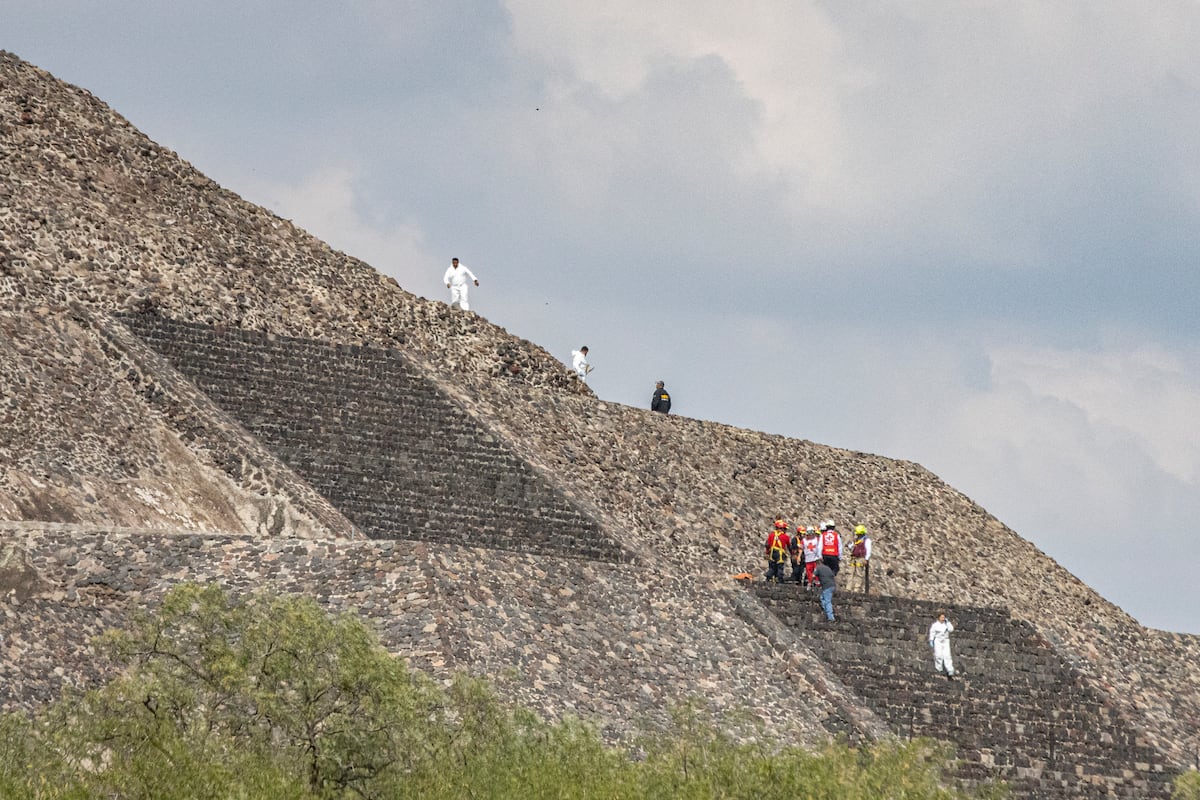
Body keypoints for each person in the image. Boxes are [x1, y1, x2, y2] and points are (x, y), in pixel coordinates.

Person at [928, 612, 955, 679]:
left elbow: (951, 629)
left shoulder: (946, 624)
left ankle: (950, 669)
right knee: (938, 655)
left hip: (945, 641)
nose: (943, 618)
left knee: (947, 655)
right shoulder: (935, 625)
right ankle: (939, 668)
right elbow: (932, 632)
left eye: (944, 617)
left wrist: (948, 623)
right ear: (939, 618)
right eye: (942, 617)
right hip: (938, 641)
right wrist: (931, 640)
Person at [763, 519, 791, 584]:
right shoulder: (785, 537)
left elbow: (768, 545)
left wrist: (767, 553)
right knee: (780, 567)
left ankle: (768, 578)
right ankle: (780, 579)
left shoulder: (771, 535)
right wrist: (791, 553)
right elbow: (789, 546)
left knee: (772, 567)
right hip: (780, 554)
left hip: (772, 553)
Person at [848, 524, 873, 594]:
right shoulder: (856, 540)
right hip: (854, 558)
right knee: (850, 573)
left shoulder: (866, 540)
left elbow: (868, 550)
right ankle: (848, 588)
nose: (857, 535)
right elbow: (851, 546)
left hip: (861, 558)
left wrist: (866, 559)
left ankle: (856, 589)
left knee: (858, 574)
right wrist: (850, 545)